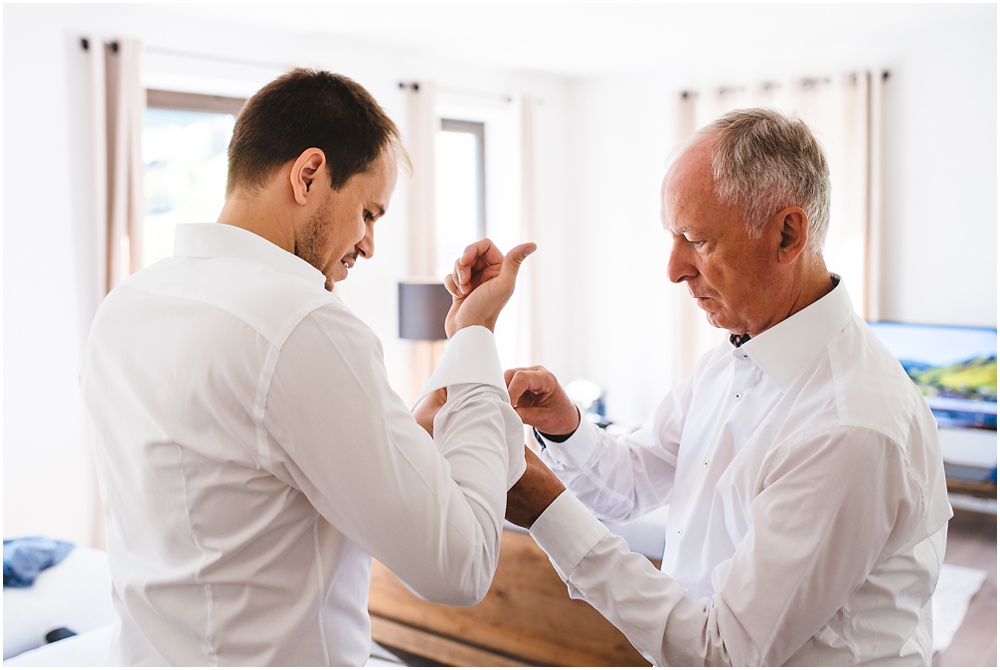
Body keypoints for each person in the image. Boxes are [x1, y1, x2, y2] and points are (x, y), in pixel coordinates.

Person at [80, 69, 534, 666]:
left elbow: (238, 476)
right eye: (369, 213)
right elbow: (463, 563)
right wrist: (474, 336)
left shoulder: (125, 306)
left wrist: (408, 436)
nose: (368, 244)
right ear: (309, 173)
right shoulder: (300, 324)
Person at [497, 108, 953, 666]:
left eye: (695, 239)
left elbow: (725, 652)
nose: (673, 269)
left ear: (788, 233)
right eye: (672, 237)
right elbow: (636, 480)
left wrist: (548, 513)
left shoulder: (849, 426)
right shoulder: (734, 356)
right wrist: (565, 428)